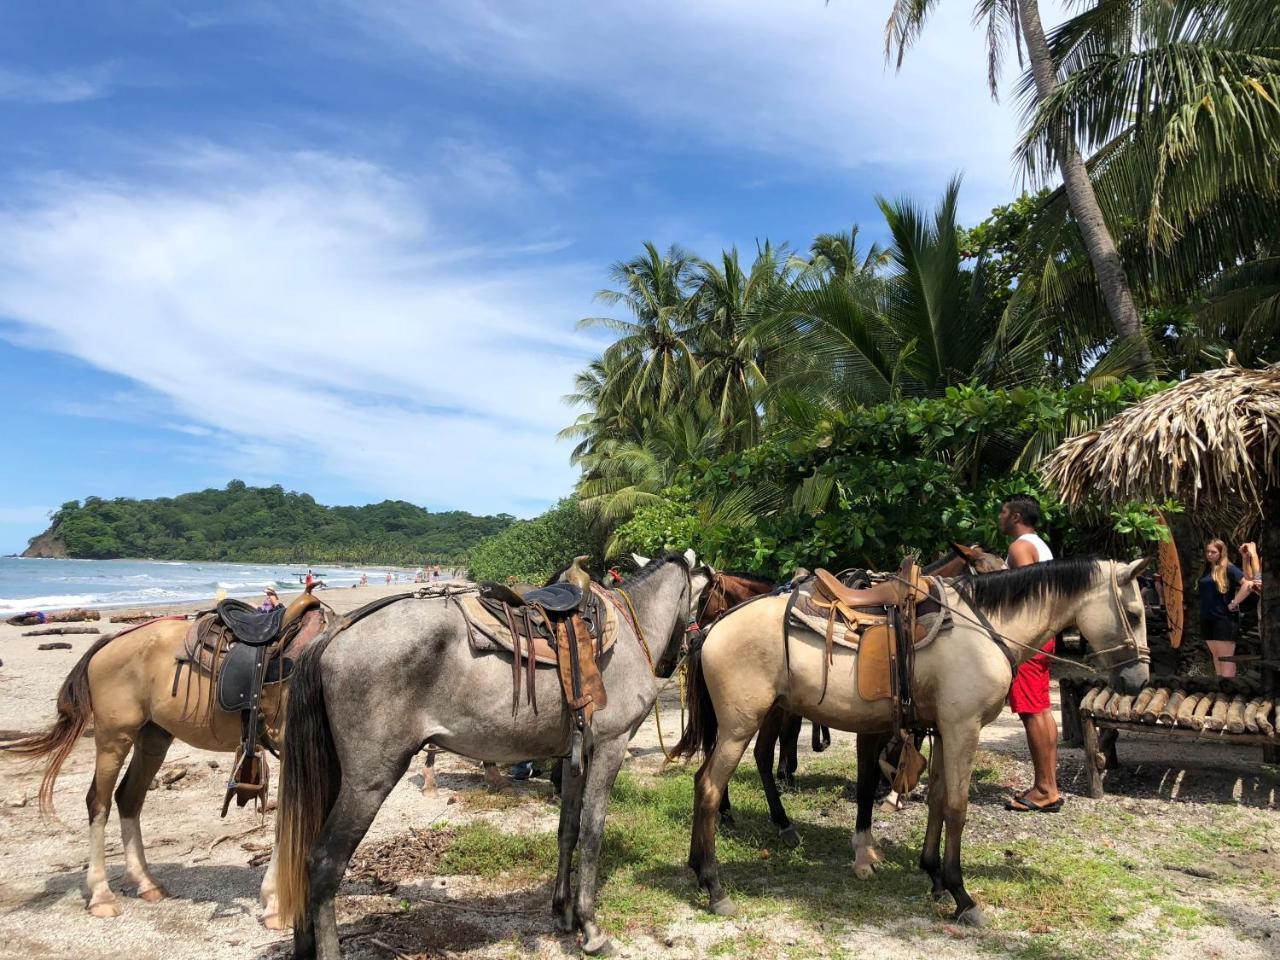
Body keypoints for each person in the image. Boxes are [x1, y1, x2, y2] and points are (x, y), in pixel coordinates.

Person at [998, 495, 1063, 813]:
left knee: (1032, 711)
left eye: (1004, 511)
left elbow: (1027, 592)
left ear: (1017, 516)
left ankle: (1044, 789)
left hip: (1028, 638)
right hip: (1043, 636)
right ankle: (1049, 783)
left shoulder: (1020, 547)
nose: (1000, 516)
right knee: (1042, 709)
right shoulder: (1040, 544)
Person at [1200, 539, 1248, 678]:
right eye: (1208, 551)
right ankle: (1220, 686)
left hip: (1224, 619)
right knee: (1216, 655)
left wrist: (1234, 602)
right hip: (1207, 617)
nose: (1209, 554)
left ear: (1221, 553)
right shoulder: (1206, 569)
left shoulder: (1229, 568)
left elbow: (1247, 585)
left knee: (1225, 657)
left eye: (1213, 552)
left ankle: (1229, 687)